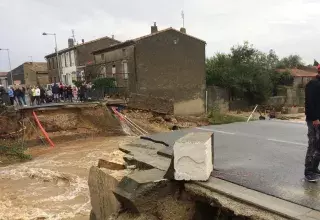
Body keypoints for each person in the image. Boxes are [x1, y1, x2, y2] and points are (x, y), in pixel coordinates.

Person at [304, 65, 320, 182]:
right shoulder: (313, 84)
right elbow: (309, 103)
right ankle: (309, 171)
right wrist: (314, 118)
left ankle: (315, 168)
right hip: (315, 120)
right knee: (313, 144)